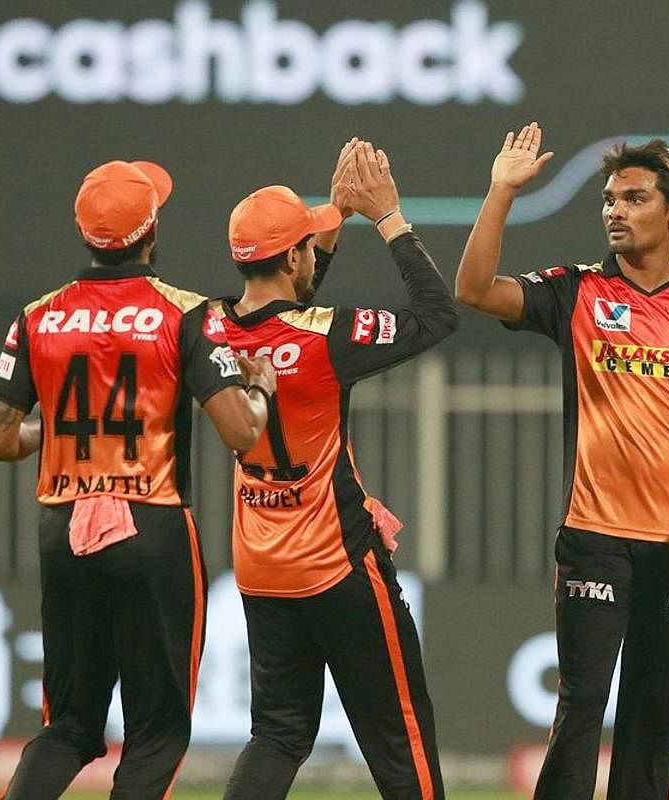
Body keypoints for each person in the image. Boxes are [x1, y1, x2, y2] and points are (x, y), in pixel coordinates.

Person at [455, 123, 669, 800]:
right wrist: (501, 191)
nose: (614, 212)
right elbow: (474, 289)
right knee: (580, 714)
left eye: (632, 198)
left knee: (655, 727)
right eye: (608, 200)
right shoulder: (577, 291)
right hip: (596, 538)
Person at [0, 159, 275, 799]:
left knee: (70, 727)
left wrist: (55, 432)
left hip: (64, 529)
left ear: (84, 233)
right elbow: (241, 433)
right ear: (151, 230)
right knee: (158, 732)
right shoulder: (185, 313)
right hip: (151, 527)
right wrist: (258, 388)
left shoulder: (38, 317)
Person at [218, 139, 457, 800]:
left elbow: (279, 308)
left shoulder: (207, 330)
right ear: (292, 255)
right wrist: (387, 219)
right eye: (306, 246)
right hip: (340, 565)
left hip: (263, 571)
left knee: (278, 736)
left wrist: (331, 225)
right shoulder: (328, 335)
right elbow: (437, 315)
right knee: (399, 736)